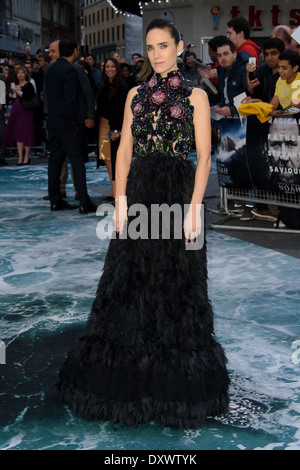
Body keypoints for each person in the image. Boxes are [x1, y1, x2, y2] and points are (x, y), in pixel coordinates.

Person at [57, 18, 230, 429]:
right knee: (128, 279)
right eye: (150, 47)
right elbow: (123, 151)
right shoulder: (135, 93)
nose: (156, 54)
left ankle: (174, 383)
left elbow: (203, 156)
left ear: (178, 46)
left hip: (177, 192)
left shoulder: (195, 96)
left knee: (179, 281)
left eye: (163, 46)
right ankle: (129, 379)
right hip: (139, 194)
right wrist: (118, 198)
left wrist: (193, 207)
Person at [45, 38, 96, 213]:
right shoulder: (70, 70)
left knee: (55, 161)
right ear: (74, 50)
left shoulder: (50, 69)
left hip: (53, 121)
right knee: (77, 160)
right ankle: (84, 202)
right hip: (67, 123)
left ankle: (55, 200)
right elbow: (71, 100)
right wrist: (77, 122)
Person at [96, 58, 128, 199]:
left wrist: (117, 129)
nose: (110, 69)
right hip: (103, 124)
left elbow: (122, 110)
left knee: (115, 157)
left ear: (117, 69)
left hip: (115, 126)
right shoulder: (103, 85)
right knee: (106, 157)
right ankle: (114, 187)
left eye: (113, 67)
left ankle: (118, 189)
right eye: (107, 66)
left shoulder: (121, 86)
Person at [4, 66, 35, 165]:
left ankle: (26, 156)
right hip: (16, 108)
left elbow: (27, 96)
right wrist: (11, 92)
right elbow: (11, 97)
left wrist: (17, 90)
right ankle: (20, 157)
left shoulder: (29, 85)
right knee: (18, 133)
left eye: (22, 72)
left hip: (25, 109)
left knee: (26, 132)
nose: (20, 74)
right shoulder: (15, 85)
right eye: (18, 73)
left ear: (25, 74)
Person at [213, 38, 249, 117]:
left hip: (245, 120)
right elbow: (224, 98)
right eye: (219, 55)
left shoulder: (245, 69)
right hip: (227, 119)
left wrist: (233, 110)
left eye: (226, 54)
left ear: (234, 54)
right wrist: (218, 106)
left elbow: (252, 99)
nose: (222, 58)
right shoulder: (221, 71)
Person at [247, 38, 285, 103]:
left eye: (273, 53)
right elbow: (258, 94)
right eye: (266, 54)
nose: (269, 58)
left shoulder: (289, 72)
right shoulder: (263, 69)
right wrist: (251, 90)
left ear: (282, 54)